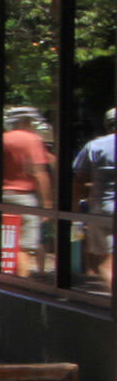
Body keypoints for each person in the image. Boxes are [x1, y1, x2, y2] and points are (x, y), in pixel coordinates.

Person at [0, 108, 53, 276]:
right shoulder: (32, 139)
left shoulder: (1, 138)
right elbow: (39, 173)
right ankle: (20, 283)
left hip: (2, 197)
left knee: (5, 242)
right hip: (25, 198)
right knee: (23, 247)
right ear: (27, 121)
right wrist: (47, 203)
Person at [72, 110, 116, 289]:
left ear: (107, 125)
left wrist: (74, 206)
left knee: (106, 262)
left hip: (102, 209)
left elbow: (79, 179)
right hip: (102, 209)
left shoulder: (95, 146)